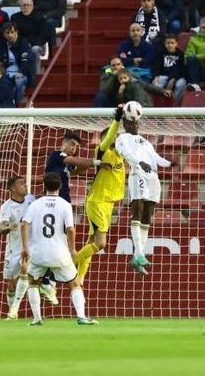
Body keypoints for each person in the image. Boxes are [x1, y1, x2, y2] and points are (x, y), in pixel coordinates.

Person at [6, 172, 98, 325]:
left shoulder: (35, 204)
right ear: (60, 186)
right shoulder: (65, 204)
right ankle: (81, 316)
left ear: (44, 186)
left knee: (33, 283)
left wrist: (25, 247)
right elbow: (70, 229)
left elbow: (24, 224)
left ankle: (37, 319)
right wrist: (73, 249)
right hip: (59, 253)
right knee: (74, 284)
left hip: (38, 253)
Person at [115, 115, 177, 275]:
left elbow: (155, 158)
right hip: (138, 173)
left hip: (152, 176)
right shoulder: (122, 137)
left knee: (148, 214)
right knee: (138, 208)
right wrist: (139, 162)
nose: (135, 125)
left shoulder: (145, 141)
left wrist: (169, 163)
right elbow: (123, 152)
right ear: (126, 123)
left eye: (137, 122)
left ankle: (138, 255)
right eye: (131, 122)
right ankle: (139, 254)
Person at [71, 106, 125, 287]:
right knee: (101, 243)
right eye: (111, 137)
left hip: (108, 205)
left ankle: (80, 277)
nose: (114, 140)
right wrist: (117, 120)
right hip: (97, 202)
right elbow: (109, 137)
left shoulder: (120, 156)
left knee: (92, 241)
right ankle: (70, 262)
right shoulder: (103, 152)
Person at [0, 175, 36, 312]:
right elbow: (1, 228)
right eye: (21, 184)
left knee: (25, 271)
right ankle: (12, 309)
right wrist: (10, 227)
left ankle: (14, 310)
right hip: (14, 249)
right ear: (12, 188)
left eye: (25, 183)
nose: (25, 185)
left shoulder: (32, 199)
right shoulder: (7, 206)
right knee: (12, 285)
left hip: (30, 246)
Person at [152, 34, 188, 105]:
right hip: (164, 75)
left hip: (177, 77)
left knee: (181, 84)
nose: (170, 45)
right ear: (165, 44)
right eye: (168, 43)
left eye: (172, 43)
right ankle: (157, 104)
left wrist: (172, 78)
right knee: (155, 85)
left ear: (176, 44)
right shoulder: (161, 53)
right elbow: (157, 66)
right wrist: (156, 76)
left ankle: (174, 103)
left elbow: (182, 70)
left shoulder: (181, 54)